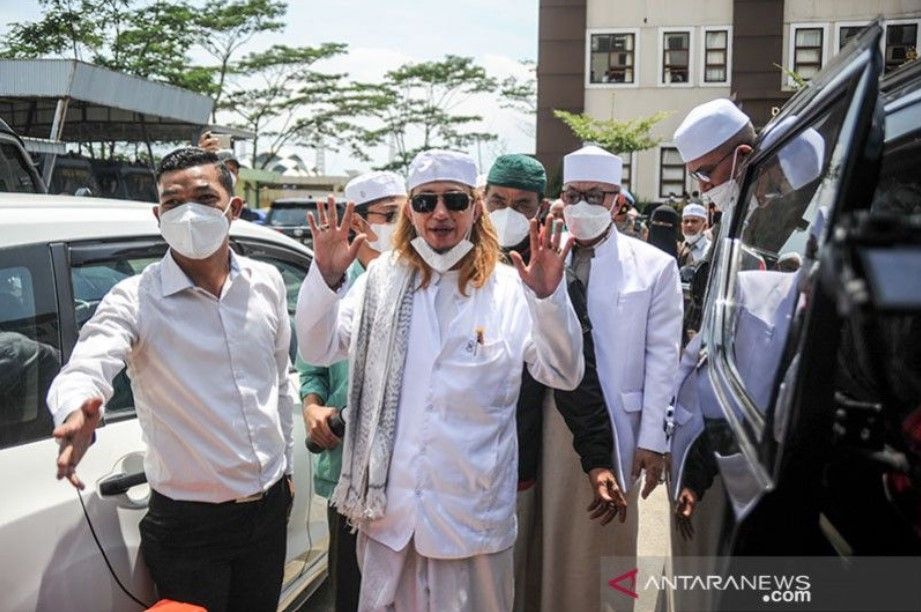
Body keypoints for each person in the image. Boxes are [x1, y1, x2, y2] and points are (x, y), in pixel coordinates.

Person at [295, 149, 585, 611]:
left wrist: (550, 300)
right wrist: (326, 277)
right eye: (426, 202)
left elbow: (564, 373)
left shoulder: (510, 289)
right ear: (411, 211)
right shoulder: (380, 282)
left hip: (471, 522)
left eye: (454, 200)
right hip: (389, 519)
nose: (441, 213)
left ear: (475, 208)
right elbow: (318, 347)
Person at [46, 147, 295, 612]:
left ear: (233, 209)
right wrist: (77, 407)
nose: (189, 213)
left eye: (203, 197)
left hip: (268, 512)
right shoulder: (135, 299)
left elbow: (278, 382)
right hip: (189, 528)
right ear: (158, 214)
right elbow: (90, 359)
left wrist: (287, 473)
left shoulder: (267, 282)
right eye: (174, 203)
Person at [535, 145, 683, 612]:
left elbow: (664, 355)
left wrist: (654, 438)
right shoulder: (542, 258)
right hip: (552, 420)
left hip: (619, 429)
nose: (582, 206)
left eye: (594, 196)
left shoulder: (654, 266)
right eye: (572, 194)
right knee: (552, 536)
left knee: (613, 543)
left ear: (618, 201)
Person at [297, 170, 406, 612]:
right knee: (351, 590)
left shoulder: (415, 279)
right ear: (359, 223)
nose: (404, 224)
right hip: (346, 469)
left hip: (400, 477)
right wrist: (312, 408)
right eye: (392, 215)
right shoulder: (331, 282)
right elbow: (312, 362)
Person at [673, 98, 755, 340]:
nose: (703, 186)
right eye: (696, 176)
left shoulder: (784, 208)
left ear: (742, 155)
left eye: (706, 172)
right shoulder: (730, 220)